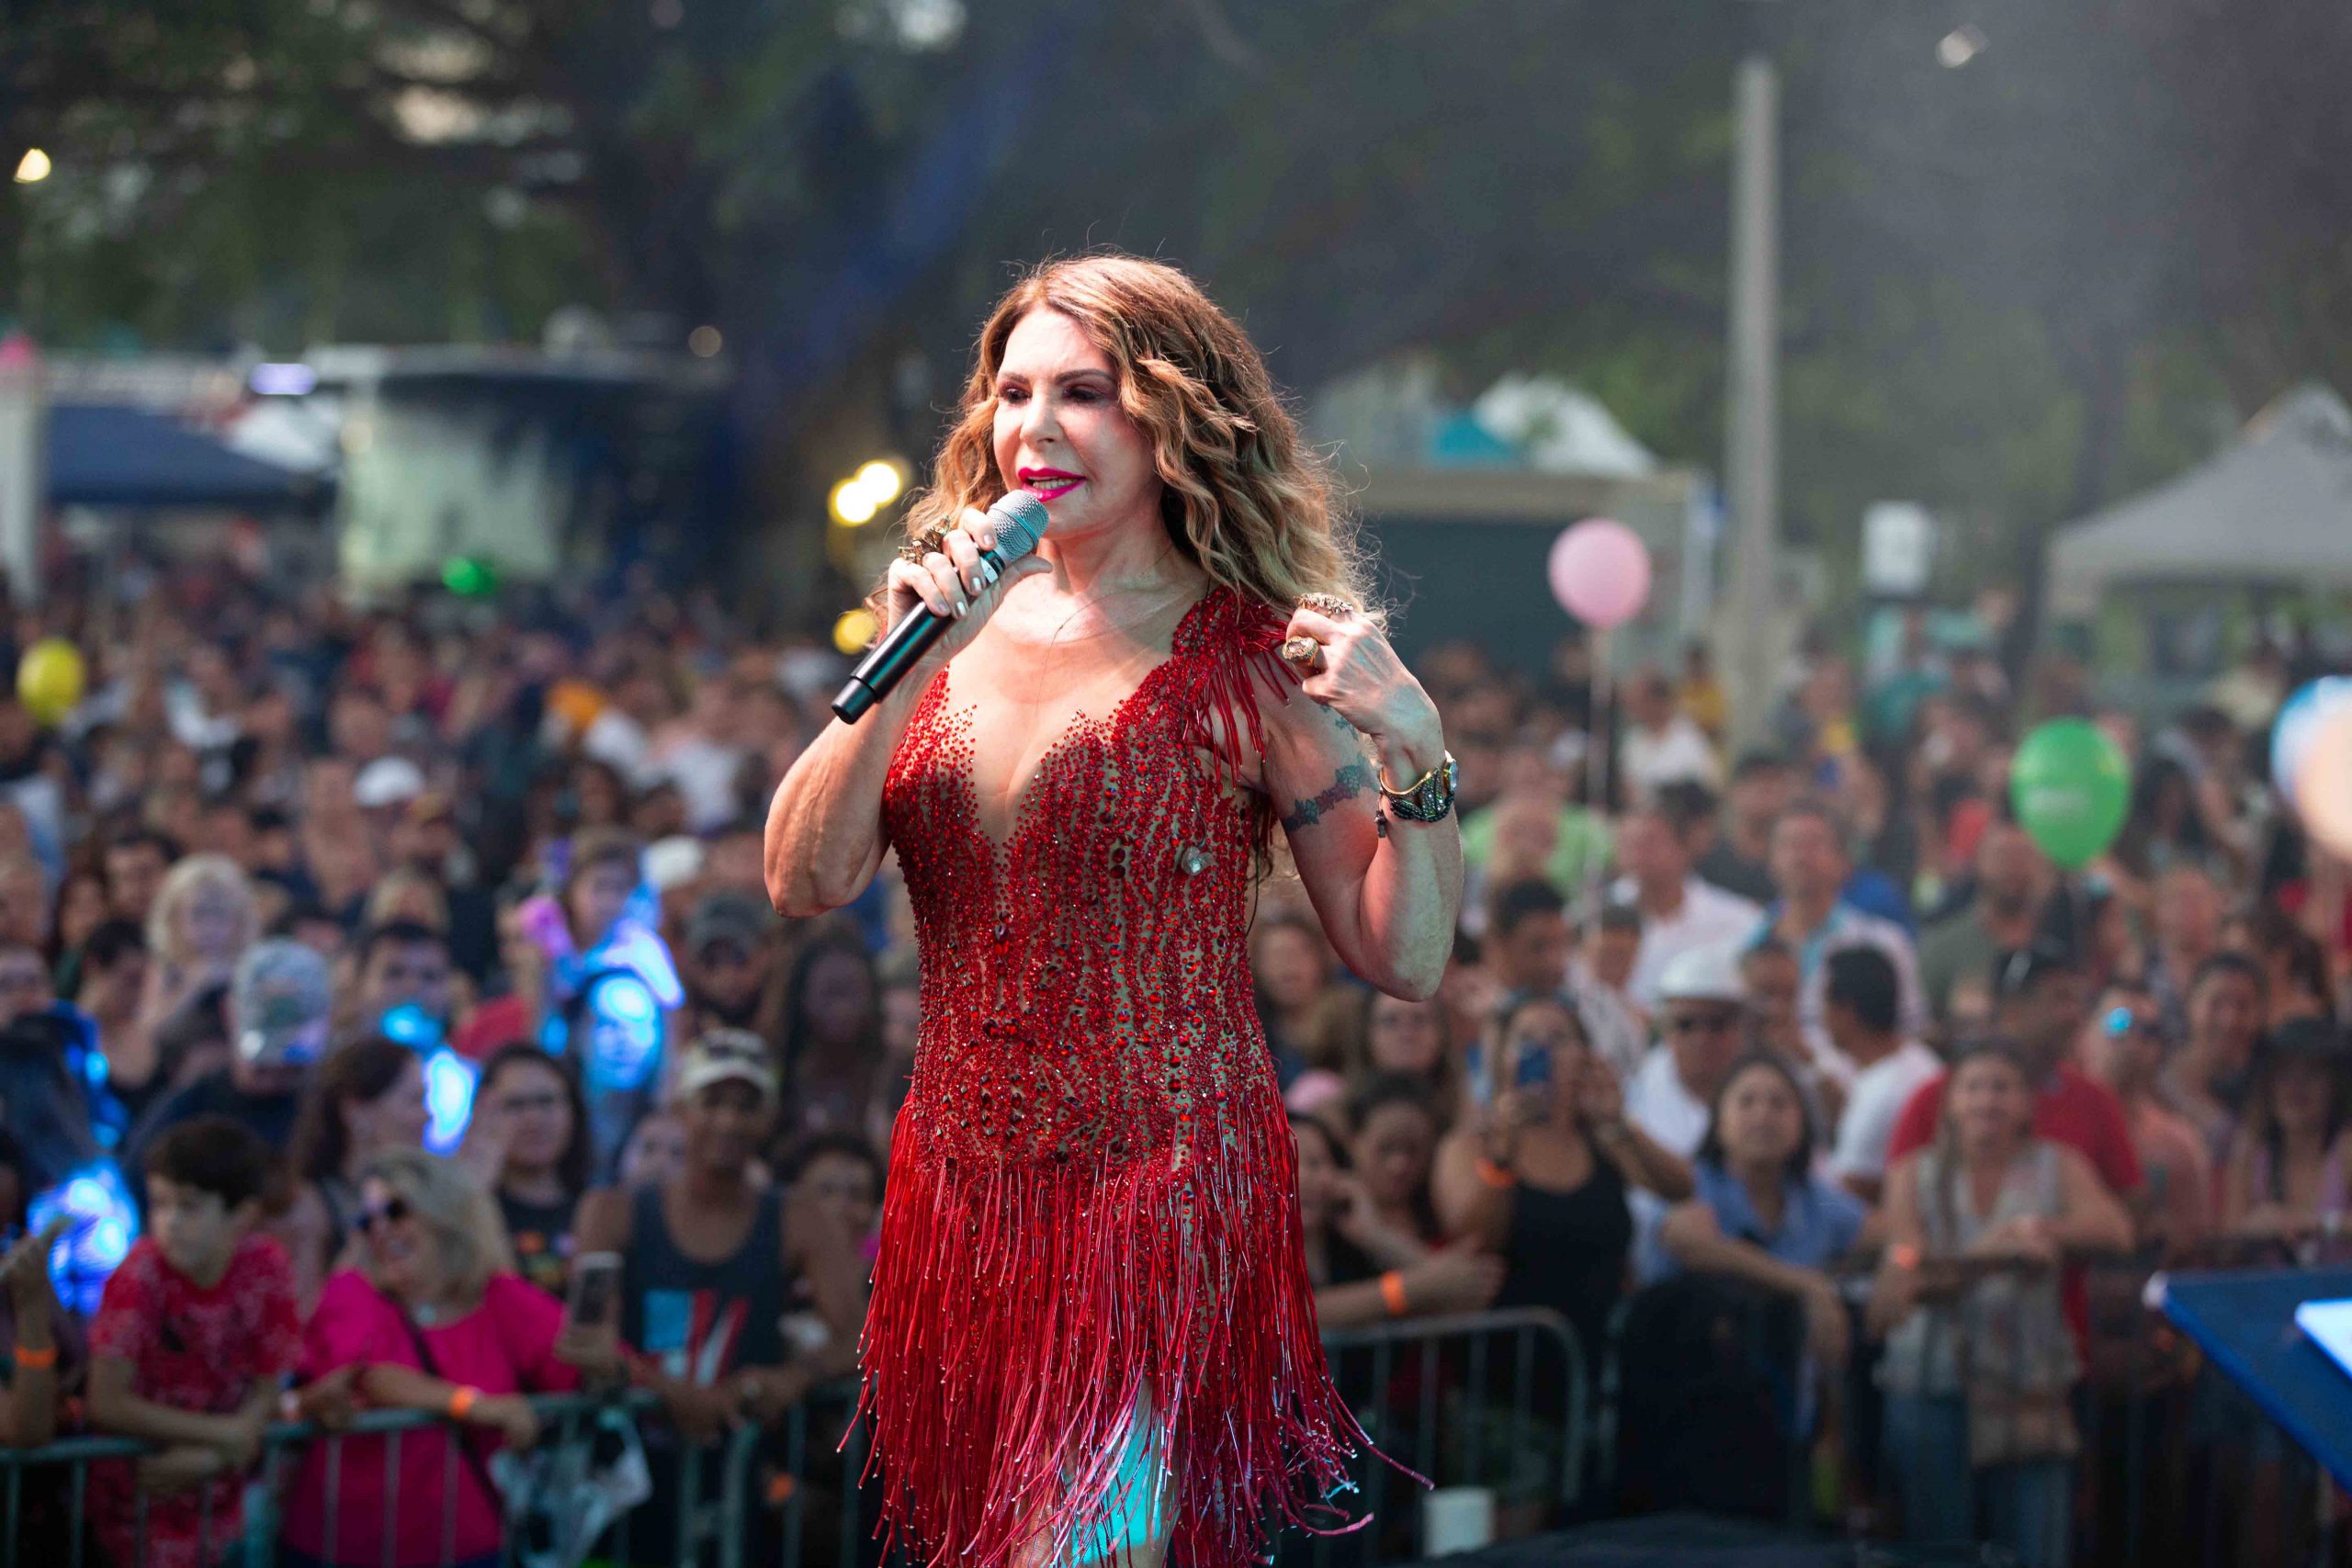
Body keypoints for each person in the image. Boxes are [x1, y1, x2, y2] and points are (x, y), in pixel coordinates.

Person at [763, 254, 1464, 1568]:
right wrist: (915, 653)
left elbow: (1403, 954)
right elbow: (803, 876)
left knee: (1081, 1549)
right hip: (964, 1178)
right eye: (1013, 390)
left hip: (1165, 1181)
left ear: (1171, 418)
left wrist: (1417, 749)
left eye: (1084, 391)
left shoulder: (1256, 664)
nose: (1035, 425)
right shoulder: (939, 625)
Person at [573, 1032, 867, 1564]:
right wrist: (667, 1391)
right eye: (713, 1101)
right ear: (682, 1107)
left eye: (746, 1105)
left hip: (746, 1466)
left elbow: (862, 1337)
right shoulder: (614, 1211)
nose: (728, 1122)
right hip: (633, 1472)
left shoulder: (798, 1216)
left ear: (769, 1116)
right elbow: (582, 1339)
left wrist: (793, 1377)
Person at [282, 1147, 623, 1568]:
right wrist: (475, 1405)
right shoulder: (351, 1291)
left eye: (395, 1210)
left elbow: (577, 1371)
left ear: (444, 1210)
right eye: (367, 1220)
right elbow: (366, 1376)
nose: (381, 1229)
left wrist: (606, 1367)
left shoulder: (500, 1297)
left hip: (470, 1548)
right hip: (342, 1550)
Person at [1871, 1040, 2133, 1568]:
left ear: (2026, 1103)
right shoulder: (1913, 1175)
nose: (1987, 1100)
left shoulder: (2058, 1165)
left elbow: (2115, 1230)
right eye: (1974, 1087)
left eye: (2003, 1087)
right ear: (1950, 1102)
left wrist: (2043, 1229)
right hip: (1932, 1384)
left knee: (2037, 1547)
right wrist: (1994, 1254)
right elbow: (1907, 1269)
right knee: (1941, 1551)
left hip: (2028, 1390)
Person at [1433, 993, 1689, 1383]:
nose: (1543, 1050)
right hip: (1502, 1378)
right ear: (1504, 1059)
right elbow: (1473, 1237)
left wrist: (1619, 1121)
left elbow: (1679, 1188)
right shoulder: (1472, 1145)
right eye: (1527, 1039)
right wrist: (1502, 1156)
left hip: (1593, 1372)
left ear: (1584, 1057)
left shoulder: (1602, 1141)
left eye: (1558, 1038)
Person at [86, 1118, 301, 1568]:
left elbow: (269, 1384)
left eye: (189, 1207)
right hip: (135, 1506)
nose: (169, 1223)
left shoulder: (265, 1266)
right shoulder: (138, 1276)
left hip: (221, 1507)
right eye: (159, 1204)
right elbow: (105, 1401)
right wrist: (226, 1437)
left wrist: (209, 1456)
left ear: (241, 1215)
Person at [1656, 1053, 1867, 1368]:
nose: (1763, 1115)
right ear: (1718, 1120)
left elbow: (1887, 1231)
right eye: (1746, 1102)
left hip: (1786, 1407)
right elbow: (1692, 1244)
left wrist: (1900, 1260)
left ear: (1802, 1123)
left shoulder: (1812, 1197)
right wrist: (1807, 1286)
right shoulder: (1691, 1183)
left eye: (1779, 1103)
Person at [125, 938, 332, 1209]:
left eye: (293, 1068)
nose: (275, 1079)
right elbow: (135, 1185)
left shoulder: (333, 1108)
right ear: (229, 1013)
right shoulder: (187, 1111)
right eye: (263, 1066)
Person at [1291, 1111, 1501, 1331]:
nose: (1302, 1176)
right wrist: (1410, 1288)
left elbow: (1462, 1295)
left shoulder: (1348, 1245)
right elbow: (1299, 1312)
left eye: (1315, 1164)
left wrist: (1377, 1236)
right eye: (1283, 1161)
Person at [1756, 798, 1924, 1052]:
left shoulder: (1883, 944)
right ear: (1770, 861)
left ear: (1845, 862)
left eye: (1814, 844)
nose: (1801, 856)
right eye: (1789, 845)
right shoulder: (1743, 943)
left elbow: (1912, 1031)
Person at [279, 1037, 433, 1307]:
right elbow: (304, 1317)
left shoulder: (424, 1192)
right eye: (414, 1101)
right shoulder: (310, 1207)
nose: (428, 1115)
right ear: (356, 1112)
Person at [2079, 982, 2210, 1258]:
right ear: (2085, 1032)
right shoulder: (2056, 1127)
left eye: (2149, 1032)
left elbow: (2195, 1237)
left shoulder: (2176, 1141)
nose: (2133, 1042)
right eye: (2119, 1023)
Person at [2215, 1016, 2352, 1260]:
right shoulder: (2250, 1154)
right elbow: (2225, 1247)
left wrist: (2319, 1224)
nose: (2296, 1087)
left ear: (2335, 1085)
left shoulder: (2346, 1150)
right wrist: (2257, 1227)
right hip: (2269, 1294)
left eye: (2312, 1073)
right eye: (2285, 1073)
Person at [470, 1043, 594, 1297]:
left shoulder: (600, 1207)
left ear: (573, 1111)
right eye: (515, 1105)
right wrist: (475, 1195)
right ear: (483, 1115)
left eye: (546, 1101)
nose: (534, 1119)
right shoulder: (469, 1211)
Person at [1611, 803, 1761, 1010]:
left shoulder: (1739, 920)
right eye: (1627, 843)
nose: (1636, 854)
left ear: (1684, 848)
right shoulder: (1594, 916)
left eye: (1649, 843)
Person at [1824, 945, 1943, 1204]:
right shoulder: (1920, 1057)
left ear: (1845, 1013)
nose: (1821, 1018)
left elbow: (1847, 1196)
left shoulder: (1882, 1095)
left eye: (1824, 1004)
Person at [1916, 821, 2053, 1021]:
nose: (2013, 866)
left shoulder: (2062, 935)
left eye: (2023, 856)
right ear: (1979, 862)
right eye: (2002, 856)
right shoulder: (1942, 946)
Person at [1626, 943, 1752, 1159]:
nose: (1701, 1038)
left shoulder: (1766, 1083)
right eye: (1686, 1024)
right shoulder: (1635, 1093)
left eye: (1716, 1024)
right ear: (1665, 1028)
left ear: (1740, 1027)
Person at [2161, 951, 2267, 1159]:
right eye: (2216, 1003)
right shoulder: (2156, 1082)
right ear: (2190, 1003)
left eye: (2243, 1006)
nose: (2229, 1020)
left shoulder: (2270, 1087)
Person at [1697, 750, 1795, 905]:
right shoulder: (1706, 857)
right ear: (1735, 792)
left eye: (1775, 783)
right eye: (1758, 782)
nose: (1767, 791)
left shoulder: (1796, 861)